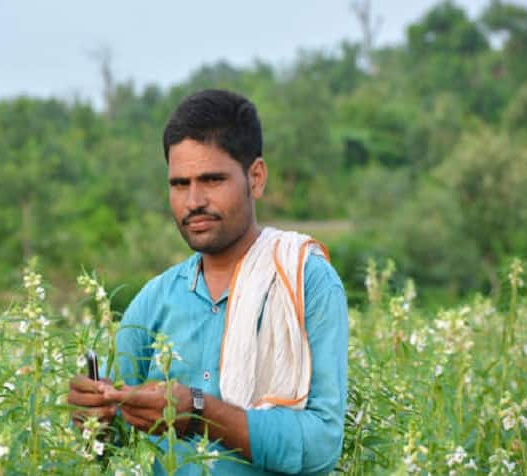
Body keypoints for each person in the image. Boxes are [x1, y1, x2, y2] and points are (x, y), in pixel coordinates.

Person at [69, 89, 348, 475]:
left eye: (212, 179)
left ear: (256, 177)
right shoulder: (153, 302)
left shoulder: (305, 281)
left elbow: (321, 447)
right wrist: (91, 420)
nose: (193, 200)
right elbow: (113, 450)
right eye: (179, 184)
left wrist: (201, 413)